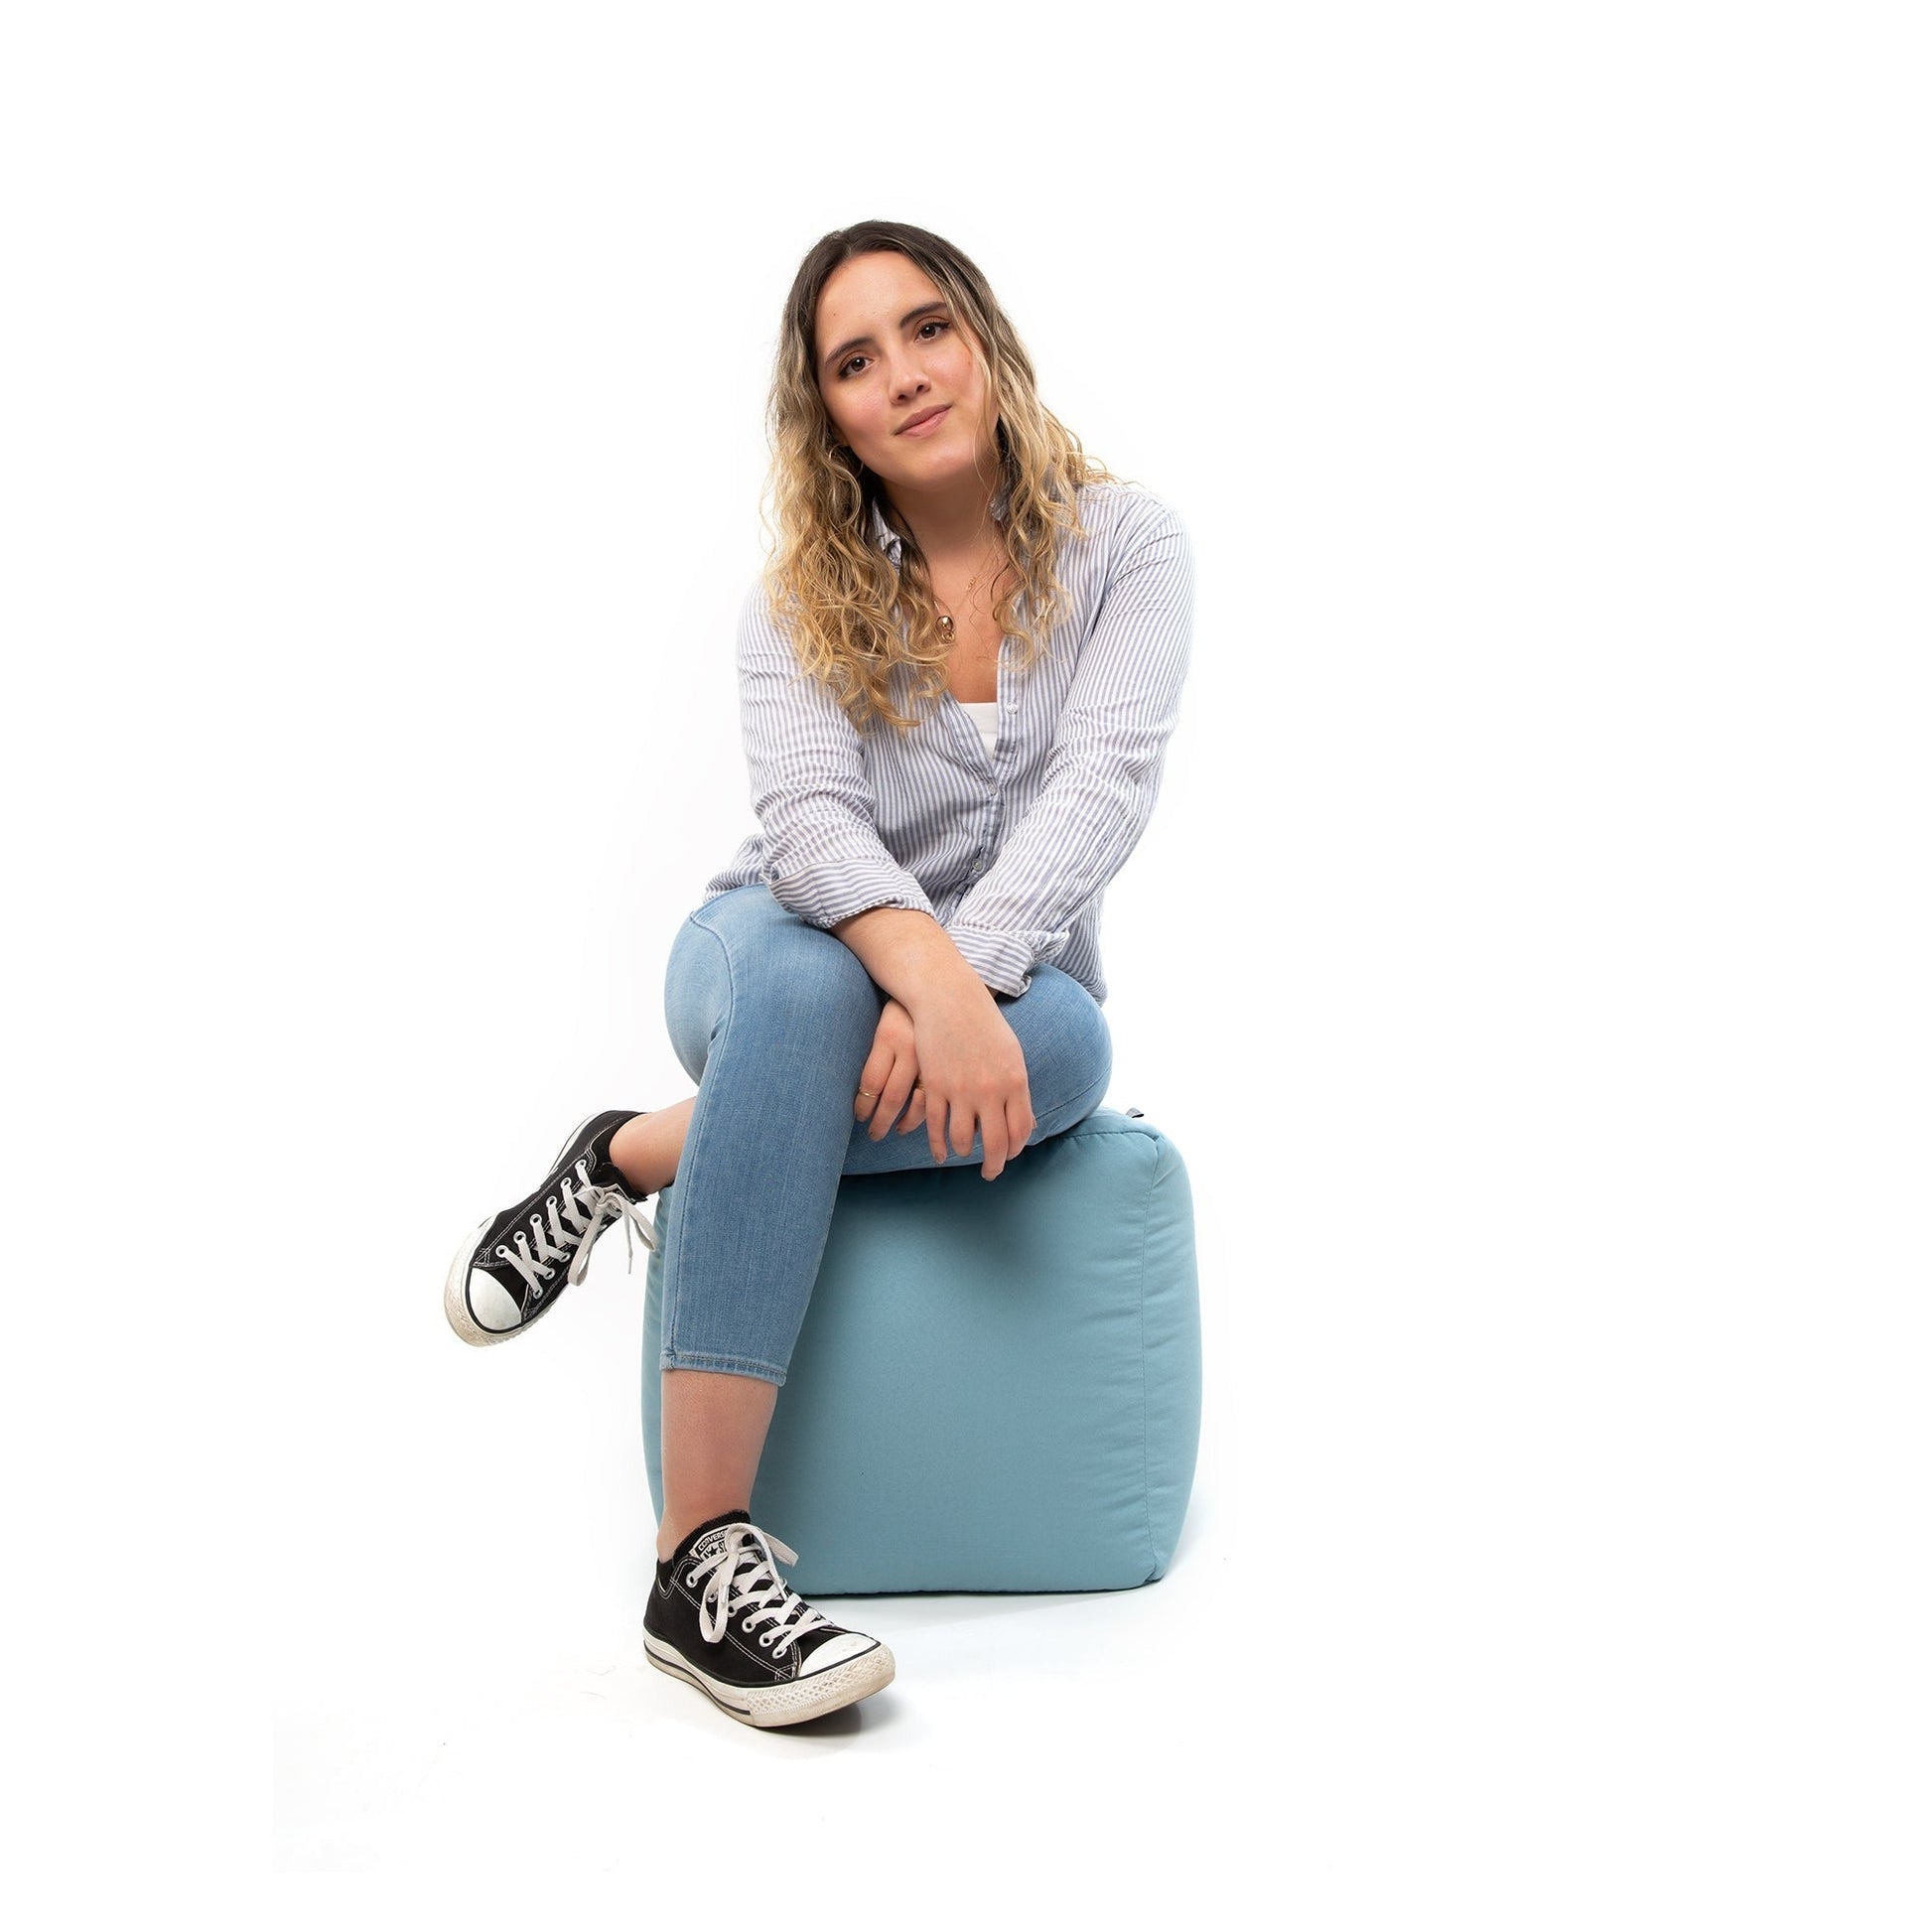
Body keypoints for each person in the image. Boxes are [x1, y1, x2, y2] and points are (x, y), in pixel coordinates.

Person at [444, 219, 1194, 1728]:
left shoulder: (1131, 547)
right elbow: (809, 825)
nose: (903, 375)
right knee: (801, 1002)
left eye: (927, 329)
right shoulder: (795, 599)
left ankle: (629, 1155)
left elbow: (1101, 788)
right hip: (778, 940)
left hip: (1012, 968)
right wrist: (928, 981)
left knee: (1066, 1056)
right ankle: (698, 1563)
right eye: (855, 361)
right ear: (827, 413)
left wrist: (970, 982)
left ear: (984, 339)